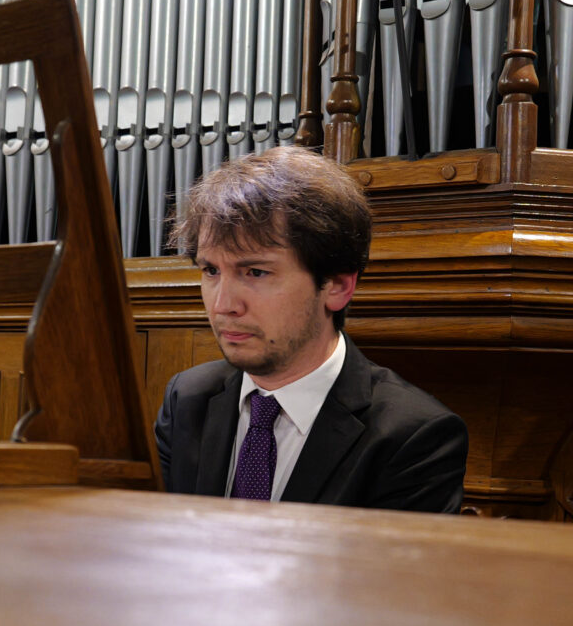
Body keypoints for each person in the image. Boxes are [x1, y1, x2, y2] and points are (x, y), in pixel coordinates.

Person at [155, 146, 468, 513]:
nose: (223, 305)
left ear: (337, 286)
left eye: (255, 272)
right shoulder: (187, 399)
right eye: (211, 270)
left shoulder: (413, 436)